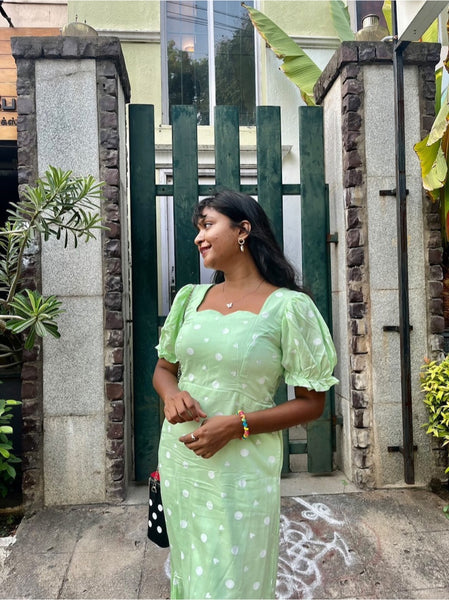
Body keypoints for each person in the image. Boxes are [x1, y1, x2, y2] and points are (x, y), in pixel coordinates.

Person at [153, 190, 338, 599]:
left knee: (233, 579)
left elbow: (312, 403)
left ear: (243, 230)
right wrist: (171, 395)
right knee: (192, 572)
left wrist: (237, 426)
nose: (198, 237)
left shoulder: (289, 308)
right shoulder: (190, 298)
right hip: (183, 460)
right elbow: (164, 370)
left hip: (242, 468)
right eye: (197, 228)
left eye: (207, 225)